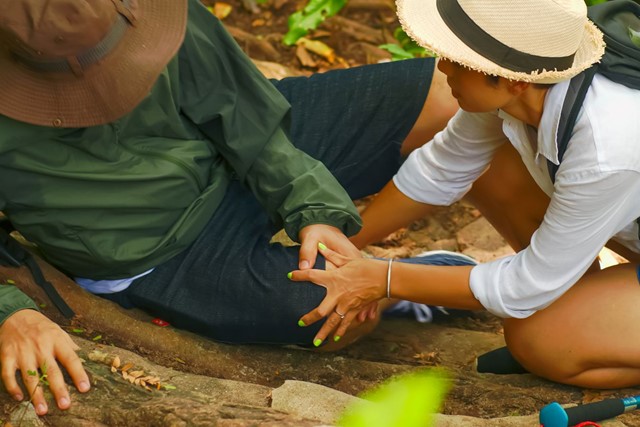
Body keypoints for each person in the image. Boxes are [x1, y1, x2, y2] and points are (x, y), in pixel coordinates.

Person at [0, 0, 463, 416]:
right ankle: (408, 283)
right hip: (157, 250)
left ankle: (532, 309)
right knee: (333, 313)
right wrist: (11, 312)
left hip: (227, 151)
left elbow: (237, 107)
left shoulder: (152, 11)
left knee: (450, 89)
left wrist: (314, 205)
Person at [290, 0, 640, 389]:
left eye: (458, 60)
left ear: (514, 81)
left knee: (540, 338)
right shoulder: (524, 83)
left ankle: (588, 331)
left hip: (613, 187)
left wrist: (383, 279)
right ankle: (591, 313)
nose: (442, 67)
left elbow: (526, 286)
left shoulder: (607, 145)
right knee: (494, 170)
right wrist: (344, 251)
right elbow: (442, 168)